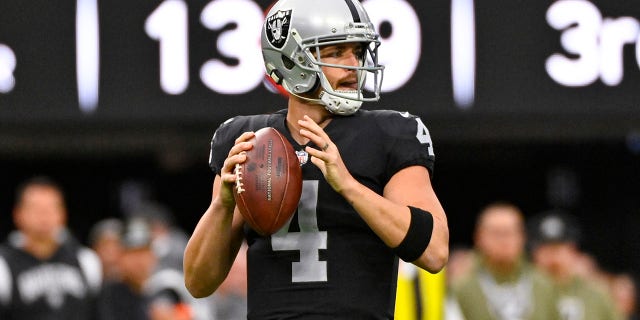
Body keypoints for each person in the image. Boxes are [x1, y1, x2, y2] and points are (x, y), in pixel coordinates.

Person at [183, 0, 449, 318]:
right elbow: (198, 282)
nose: (353, 64)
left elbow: (434, 252)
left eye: (358, 51)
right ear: (291, 60)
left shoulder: (389, 133)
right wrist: (223, 205)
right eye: (336, 52)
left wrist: (349, 186)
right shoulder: (248, 140)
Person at [0, 176, 102, 319]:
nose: (44, 216)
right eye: (36, 208)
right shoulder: (4, 265)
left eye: (51, 208)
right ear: (18, 214)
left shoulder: (85, 259)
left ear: (63, 213)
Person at [447, 201, 560, 320]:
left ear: (522, 237)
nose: (503, 241)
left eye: (509, 232)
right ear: (479, 237)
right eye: (496, 233)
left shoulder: (543, 285)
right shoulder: (462, 286)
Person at [528, 210, 624, 320]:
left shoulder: (596, 294)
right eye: (545, 249)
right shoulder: (524, 291)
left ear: (573, 251)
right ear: (535, 253)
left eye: (558, 248)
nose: (553, 257)